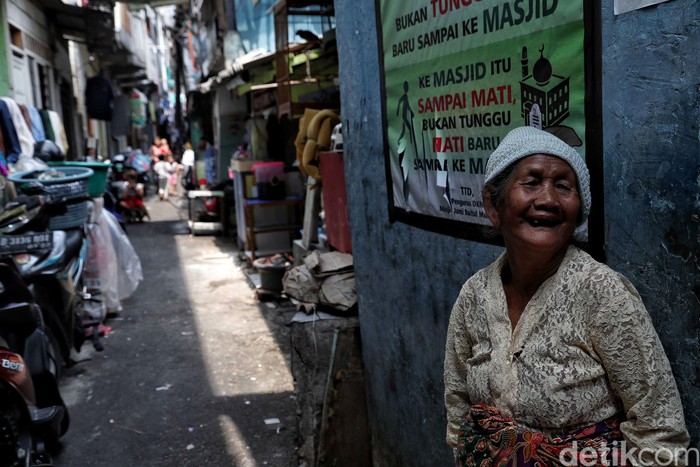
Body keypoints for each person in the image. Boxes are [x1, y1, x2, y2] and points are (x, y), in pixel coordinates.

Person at [443, 126, 689, 466]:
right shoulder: (474, 295)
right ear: (492, 204)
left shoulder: (602, 293)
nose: (547, 199)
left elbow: (660, 430)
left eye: (563, 186)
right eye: (531, 182)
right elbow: (459, 407)